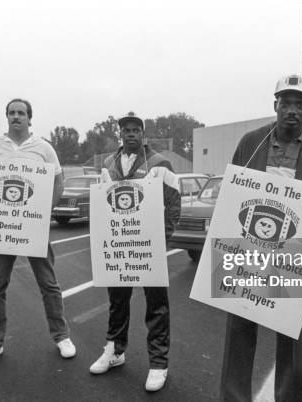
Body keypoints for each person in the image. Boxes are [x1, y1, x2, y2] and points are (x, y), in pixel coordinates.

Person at [220, 75, 302, 401]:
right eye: (286, 103)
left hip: (294, 256)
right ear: (274, 104)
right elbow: (232, 193)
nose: (293, 110)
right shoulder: (251, 143)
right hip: (250, 253)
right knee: (239, 330)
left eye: (300, 104)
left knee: (291, 337)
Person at [0, 98, 76, 368]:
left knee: (49, 284)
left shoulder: (43, 148)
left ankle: (61, 336)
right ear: (7, 117)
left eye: (21, 113)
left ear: (30, 118)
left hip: (33, 227)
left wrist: (43, 213)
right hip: (1, 229)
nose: (16, 116)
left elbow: (58, 182)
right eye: (12, 113)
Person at [89, 112, 181, 392]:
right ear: (121, 134)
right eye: (125, 130)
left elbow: (174, 203)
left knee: (156, 305)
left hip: (148, 248)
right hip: (119, 248)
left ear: (143, 134)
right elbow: (104, 206)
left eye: (135, 130)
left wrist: (160, 240)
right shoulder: (108, 165)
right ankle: (115, 351)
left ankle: (158, 362)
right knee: (117, 301)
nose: (130, 134)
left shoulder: (159, 164)